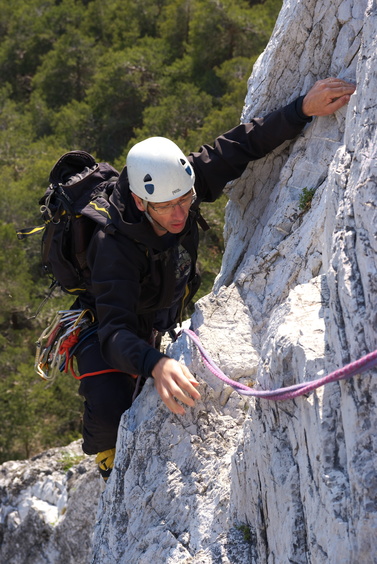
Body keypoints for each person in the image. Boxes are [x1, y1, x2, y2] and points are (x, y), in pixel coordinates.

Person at [73, 78, 355, 480]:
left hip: (157, 310)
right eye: (166, 207)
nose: (179, 214)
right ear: (139, 201)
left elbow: (241, 145)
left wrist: (302, 109)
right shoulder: (112, 245)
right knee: (107, 405)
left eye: (185, 200)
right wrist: (154, 364)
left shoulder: (181, 185)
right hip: (107, 317)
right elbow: (114, 333)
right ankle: (109, 464)